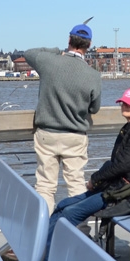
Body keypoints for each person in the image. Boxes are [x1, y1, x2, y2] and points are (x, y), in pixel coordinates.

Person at [42, 87, 130, 261]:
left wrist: (96, 179)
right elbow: (118, 163)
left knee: (70, 212)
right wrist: (99, 179)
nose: (125, 106)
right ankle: (41, 250)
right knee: (63, 204)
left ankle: (46, 259)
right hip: (118, 186)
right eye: (123, 103)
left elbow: (123, 165)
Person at [24, 23, 102, 213]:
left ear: (69, 40)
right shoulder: (93, 75)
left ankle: (44, 226)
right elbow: (94, 108)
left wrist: (57, 51)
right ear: (89, 45)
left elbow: (28, 53)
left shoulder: (48, 62)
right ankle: (78, 227)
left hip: (47, 134)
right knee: (76, 184)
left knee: (45, 185)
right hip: (75, 136)